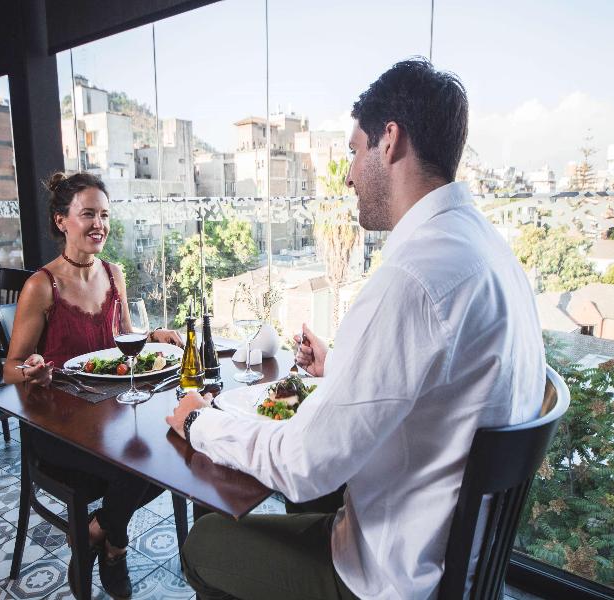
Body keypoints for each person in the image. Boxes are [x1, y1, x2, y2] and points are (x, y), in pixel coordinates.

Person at [167, 58, 546, 600]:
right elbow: (440, 384)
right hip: (454, 562)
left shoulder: (413, 277)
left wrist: (199, 421)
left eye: (353, 150)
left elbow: (305, 466)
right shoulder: (487, 250)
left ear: (389, 140)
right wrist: (341, 365)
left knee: (205, 543)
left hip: (390, 577)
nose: (347, 174)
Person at [4, 171, 182, 599]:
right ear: (61, 220)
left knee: (177, 447)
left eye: (104, 215)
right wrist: (31, 370)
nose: (99, 224)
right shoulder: (40, 286)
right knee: (141, 462)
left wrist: (152, 335)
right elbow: (9, 367)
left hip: (109, 415)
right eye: (88, 214)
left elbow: (124, 338)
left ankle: (96, 530)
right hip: (56, 425)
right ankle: (115, 549)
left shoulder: (113, 273)